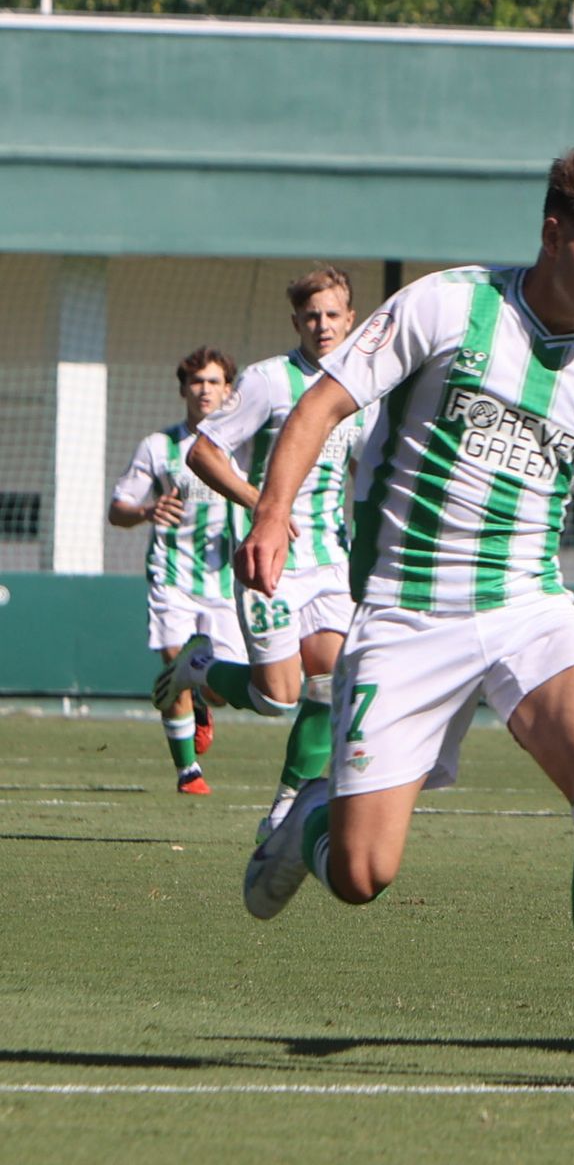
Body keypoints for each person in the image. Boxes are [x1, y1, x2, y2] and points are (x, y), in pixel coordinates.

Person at [233, 145, 574, 1087]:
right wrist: (276, 509)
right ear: (553, 231)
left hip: (529, 607)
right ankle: (309, 820)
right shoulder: (449, 305)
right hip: (408, 614)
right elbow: (324, 403)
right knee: (364, 876)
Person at [157, 267, 363, 841]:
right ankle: (196, 667)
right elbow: (203, 452)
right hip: (272, 559)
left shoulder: (363, 388)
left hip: (332, 564)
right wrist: (262, 504)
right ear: (296, 321)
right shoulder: (271, 381)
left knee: (331, 684)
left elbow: (362, 468)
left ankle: (287, 804)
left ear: (350, 319)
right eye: (311, 316)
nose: (322, 325)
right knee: (278, 698)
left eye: (332, 315)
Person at [109, 347, 249, 794]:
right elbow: (118, 511)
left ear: (229, 390)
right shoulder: (159, 446)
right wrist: (148, 510)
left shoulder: (245, 448)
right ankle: (188, 771)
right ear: (183, 389)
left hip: (227, 581)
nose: (204, 390)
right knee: (174, 662)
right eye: (196, 382)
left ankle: (205, 704)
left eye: (213, 382)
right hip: (171, 576)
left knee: (223, 685)